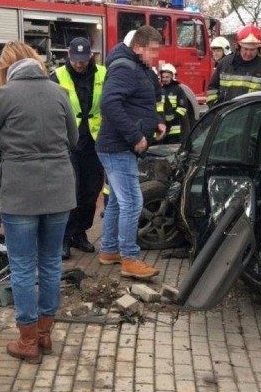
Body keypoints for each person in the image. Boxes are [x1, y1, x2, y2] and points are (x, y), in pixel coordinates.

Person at [0, 41, 78, 364]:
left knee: (22, 265)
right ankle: (45, 334)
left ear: (6, 68)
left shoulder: (4, 96)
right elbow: (74, 140)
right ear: (35, 63)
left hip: (20, 194)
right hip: (59, 191)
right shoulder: (59, 93)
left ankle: (27, 340)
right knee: (50, 263)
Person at [95, 25, 166, 280]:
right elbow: (110, 104)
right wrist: (135, 136)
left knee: (116, 200)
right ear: (138, 47)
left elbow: (143, 102)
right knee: (133, 202)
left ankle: (109, 250)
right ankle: (129, 258)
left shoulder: (139, 68)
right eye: (152, 50)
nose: (155, 56)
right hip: (118, 147)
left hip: (118, 147)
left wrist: (156, 120)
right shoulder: (125, 68)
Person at [50, 37, 106, 260]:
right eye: (75, 60)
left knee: (90, 191)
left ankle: (80, 233)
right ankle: (63, 237)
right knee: (69, 191)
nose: (79, 64)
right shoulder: (57, 76)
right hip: (68, 142)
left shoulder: (103, 73)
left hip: (94, 140)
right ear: (68, 54)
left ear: (90, 55)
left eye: (83, 60)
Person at [206, 25, 261, 107]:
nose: (248, 53)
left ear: (259, 49)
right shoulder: (224, 64)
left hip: (252, 118)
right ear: (238, 47)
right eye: (245, 49)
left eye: (253, 50)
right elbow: (212, 90)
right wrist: (216, 108)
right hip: (225, 116)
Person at [157, 64, 195, 144]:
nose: (164, 79)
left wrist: (173, 116)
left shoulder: (178, 90)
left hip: (175, 128)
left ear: (172, 77)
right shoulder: (159, 89)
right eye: (163, 77)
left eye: (167, 77)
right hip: (162, 126)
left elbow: (183, 108)